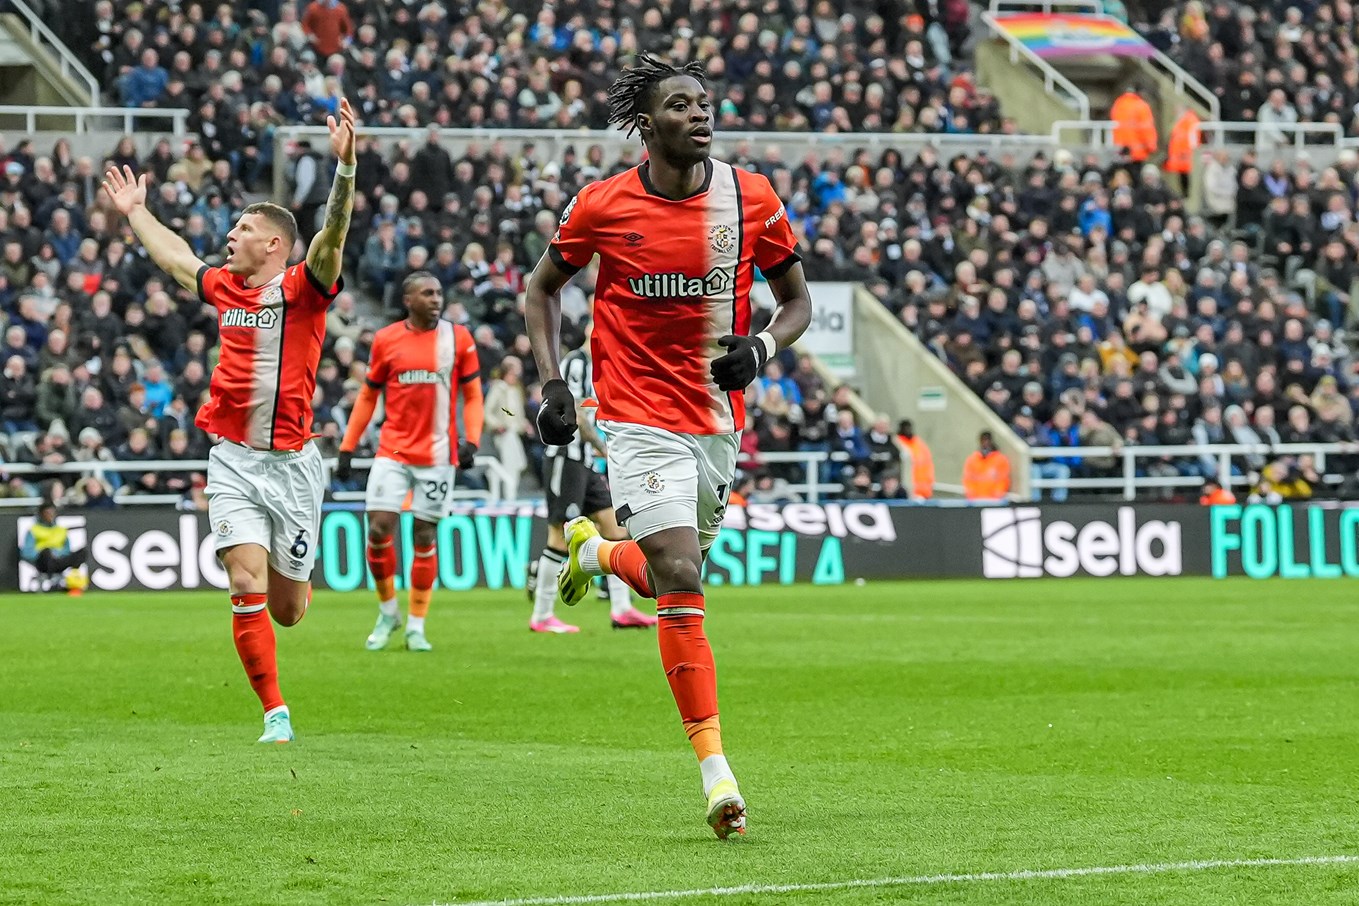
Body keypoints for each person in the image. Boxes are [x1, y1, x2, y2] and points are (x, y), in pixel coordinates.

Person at [525, 54, 811, 839]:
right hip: (633, 415)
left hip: (716, 421)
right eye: (680, 105)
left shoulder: (751, 198)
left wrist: (762, 349)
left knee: (659, 577)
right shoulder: (602, 205)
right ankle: (716, 771)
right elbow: (541, 287)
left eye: (704, 101)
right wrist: (553, 385)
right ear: (648, 127)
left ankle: (589, 551)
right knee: (682, 573)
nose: (699, 113)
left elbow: (794, 302)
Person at [101, 98, 357, 744]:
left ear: (273, 243)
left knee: (289, 610)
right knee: (242, 579)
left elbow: (332, 236)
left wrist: (345, 172)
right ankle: (275, 711)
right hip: (234, 459)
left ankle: (292, 592)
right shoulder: (226, 289)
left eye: (241, 229)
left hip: (295, 466)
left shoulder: (303, 286)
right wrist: (136, 213)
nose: (229, 236)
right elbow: (175, 258)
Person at [334, 271, 482, 652]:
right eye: (427, 293)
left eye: (438, 293)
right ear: (408, 300)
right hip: (394, 452)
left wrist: (473, 440)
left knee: (424, 535)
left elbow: (474, 395)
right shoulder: (386, 340)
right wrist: (348, 447)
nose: (436, 299)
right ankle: (388, 612)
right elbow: (368, 396)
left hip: (437, 457)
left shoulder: (458, 338)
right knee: (379, 530)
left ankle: (416, 624)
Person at [527, 325, 658, 634]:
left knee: (615, 528)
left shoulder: (604, 368)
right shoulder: (577, 362)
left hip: (586, 463)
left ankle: (622, 608)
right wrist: (605, 449)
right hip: (566, 459)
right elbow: (577, 413)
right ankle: (542, 615)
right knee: (559, 536)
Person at [19, 501, 88, 593]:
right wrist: (43, 553)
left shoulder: (61, 530)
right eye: (47, 513)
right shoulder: (34, 530)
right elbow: (26, 552)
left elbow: (67, 550)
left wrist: (57, 553)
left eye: (52, 513)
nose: (50, 515)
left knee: (82, 552)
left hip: (58, 560)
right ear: (41, 515)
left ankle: (74, 580)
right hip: (42, 561)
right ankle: (53, 583)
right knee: (47, 552)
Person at [961, 431, 1011, 501]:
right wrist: (971, 494)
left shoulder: (1000, 459)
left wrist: (998, 494)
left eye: (987, 440)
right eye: (983, 440)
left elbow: (1003, 479)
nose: (985, 443)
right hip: (975, 500)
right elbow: (968, 479)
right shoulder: (972, 460)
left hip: (994, 500)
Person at [895, 419, 934, 499]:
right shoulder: (898, 442)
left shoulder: (919, 443)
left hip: (925, 490)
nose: (907, 430)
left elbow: (928, 464)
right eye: (905, 428)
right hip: (909, 490)